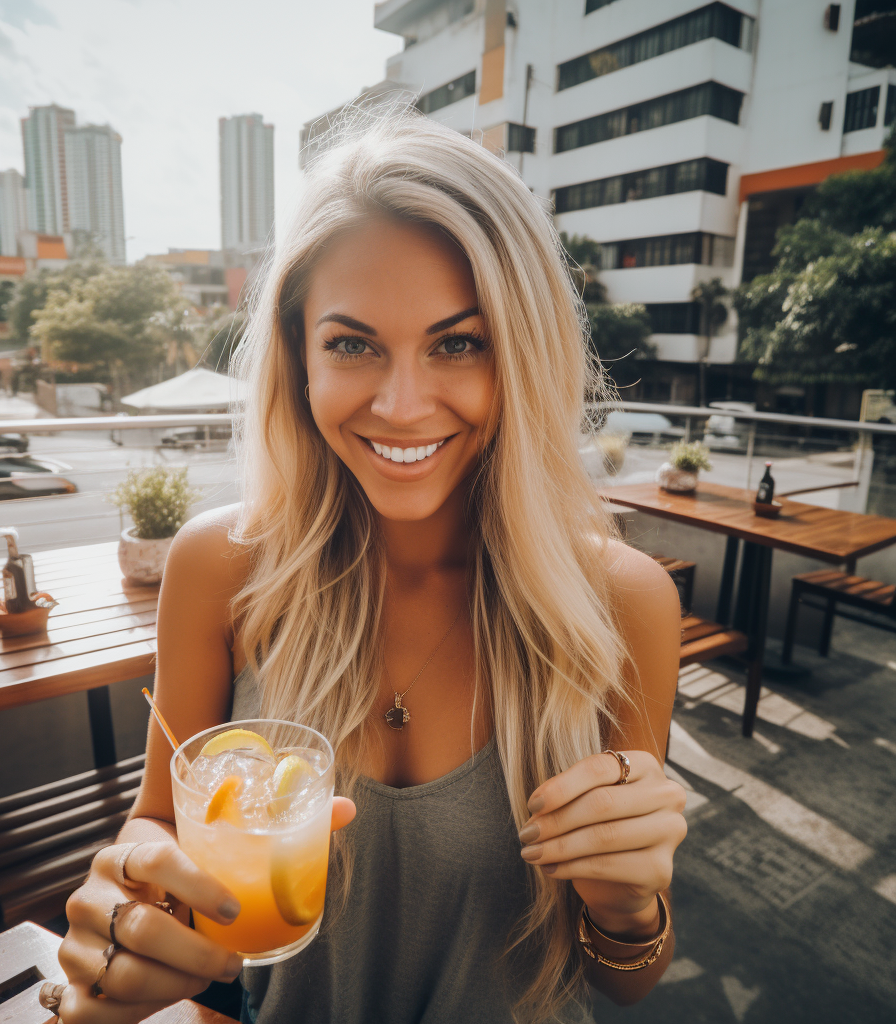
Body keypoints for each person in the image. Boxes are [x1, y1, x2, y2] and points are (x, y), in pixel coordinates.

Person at [49, 110, 686, 1024]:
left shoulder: (622, 602)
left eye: (458, 343)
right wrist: (132, 913)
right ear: (299, 359)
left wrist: (630, 908)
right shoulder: (217, 568)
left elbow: (626, 980)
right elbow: (160, 822)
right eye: (352, 345)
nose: (401, 404)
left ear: (522, 357)